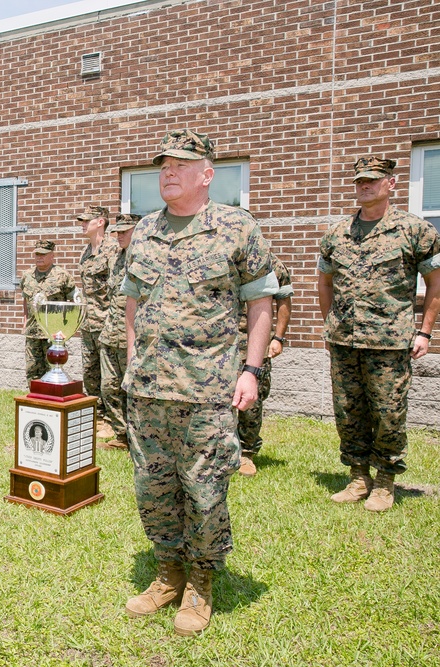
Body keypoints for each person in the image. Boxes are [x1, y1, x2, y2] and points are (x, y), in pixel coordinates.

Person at [121, 129, 277, 636]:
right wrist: (130, 363)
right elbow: (132, 303)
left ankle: (201, 582)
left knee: (205, 490)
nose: (167, 172)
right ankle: (168, 571)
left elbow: (259, 303)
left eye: (180, 165)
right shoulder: (145, 230)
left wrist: (251, 371)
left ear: (206, 174)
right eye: (162, 165)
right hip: (147, 388)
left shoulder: (236, 227)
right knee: (153, 487)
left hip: (207, 389)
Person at [318, 156, 440, 512]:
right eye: (359, 181)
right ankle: (358, 476)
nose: (365, 186)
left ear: (391, 184)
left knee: (388, 412)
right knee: (348, 411)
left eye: (372, 180)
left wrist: (425, 331)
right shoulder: (336, 233)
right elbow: (325, 282)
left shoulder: (415, 231)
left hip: (390, 342)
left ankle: (385, 480)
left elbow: (434, 283)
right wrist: (330, 325)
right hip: (344, 340)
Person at [237, 253, 293, 476]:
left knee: (252, 403)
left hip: (253, 345)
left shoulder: (270, 263)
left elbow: (283, 300)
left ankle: (246, 453)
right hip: (220, 345)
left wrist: (278, 338)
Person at [97, 213, 140, 450]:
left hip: (131, 335)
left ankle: (138, 438)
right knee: (109, 387)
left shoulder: (144, 258)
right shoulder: (116, 259)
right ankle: (121, 435)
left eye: (125, 231)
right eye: (118, 232)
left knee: (131, 390)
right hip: (111, 332)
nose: (120, 235)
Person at [20, 240, 76, 382]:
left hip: (54, 333)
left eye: (43, 254)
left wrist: (67, 328)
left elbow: (74, 302)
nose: (39, 257)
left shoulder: (62, 276)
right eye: (37, 254)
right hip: (33, 332)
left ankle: (50, 401)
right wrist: (24, 321)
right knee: (32, 371)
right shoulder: (27, 275)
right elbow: (26, 301)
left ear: (52, 255)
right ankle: (34, 401)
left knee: (53, 370)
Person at [76, 207, 111, 431]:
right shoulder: (85, 251)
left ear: (100, 222)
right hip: (89, 322)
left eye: (86, 221)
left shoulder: (113, 249)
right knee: (90, 371)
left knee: (110, 377)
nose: (82, 224)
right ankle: (97, 417)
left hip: (108, 321)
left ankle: (113, 420)